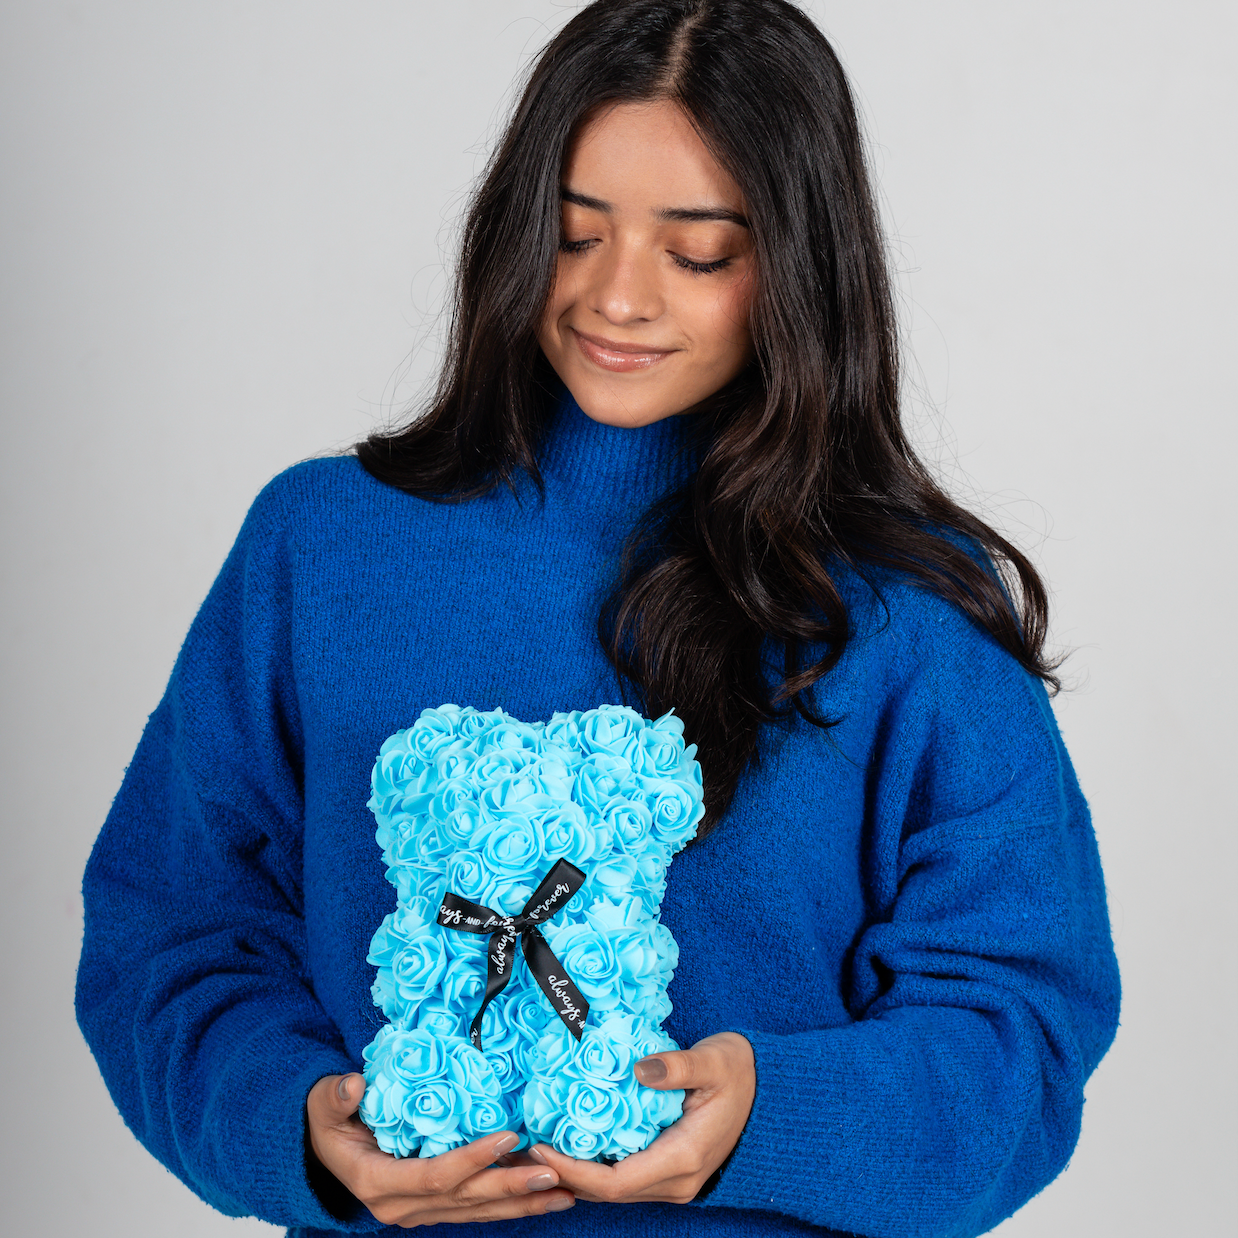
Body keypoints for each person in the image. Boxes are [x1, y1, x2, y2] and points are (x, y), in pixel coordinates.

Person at [75, 1, 1121, 1235]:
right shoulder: (320, 543)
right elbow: (171, 931)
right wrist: (294, 1119)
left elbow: (1020, 1033)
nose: (617, 297)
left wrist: (773, 1111)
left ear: (796, 265)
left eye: (697, 253)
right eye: (573, 236)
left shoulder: (910, 604)